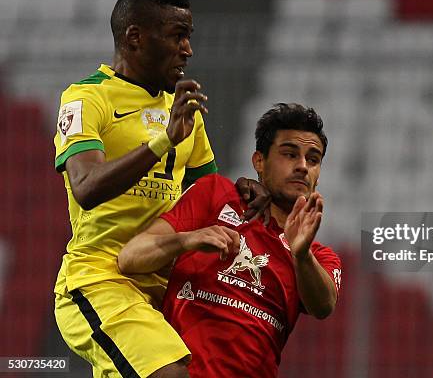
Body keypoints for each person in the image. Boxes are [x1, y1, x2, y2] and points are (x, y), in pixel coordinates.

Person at [53, 0, 268, 377]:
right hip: (102, 279)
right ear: (135, 36)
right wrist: (162, 142)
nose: (187, 49)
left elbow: (204, 197)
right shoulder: (86, 97)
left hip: (169, 286)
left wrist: (241, 189)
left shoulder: (184, 112)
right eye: (176, 35)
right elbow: (85, 187)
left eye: (189, 35)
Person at [118, 103, 342, 377]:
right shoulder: (215, 194)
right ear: (259, 161)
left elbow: (324, 306)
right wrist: (187, 240)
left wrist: (301, 254)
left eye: (313, 159)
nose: (302, 167)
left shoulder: (316, 256)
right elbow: (130, 258)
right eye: (289, 154)